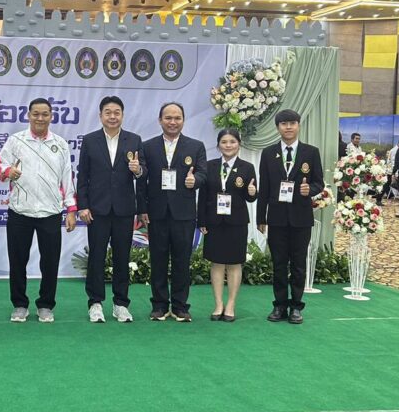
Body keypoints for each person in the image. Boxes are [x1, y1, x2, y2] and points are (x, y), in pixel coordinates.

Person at [0, 98, 77, 323]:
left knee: (50, 262)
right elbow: (0, 166)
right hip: (20, 211)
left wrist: (71, 209)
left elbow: (67, 178)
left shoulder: (60, 144)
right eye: (36, 114)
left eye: (44, 114)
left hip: (50, 212)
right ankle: (19, 304)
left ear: (51, 116)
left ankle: (46, 305)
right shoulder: (15, 141)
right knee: (17, 261)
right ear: (29, 115)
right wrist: (8, 172)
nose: (40, 118)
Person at [76, 96, 145, 324]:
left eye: (117, 112)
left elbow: (143, 173)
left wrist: (138, 170)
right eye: (108, 112)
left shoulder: (134, 140)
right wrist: (83, 206)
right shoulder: (90, 140)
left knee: (122, 258)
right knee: (96, 257)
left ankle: (121, 304)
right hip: (97, 209)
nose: (112, 116)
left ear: (122, 115)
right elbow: (83, 176)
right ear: (100, 115)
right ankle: (95, 303)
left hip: (124, 209)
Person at [138, 102, 207, 322]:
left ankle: (180, 307)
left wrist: (195, 180)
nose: (173, 122)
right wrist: (142, 208)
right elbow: (141, 180)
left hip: (184, 213)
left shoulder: (196, 146)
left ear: (183, 120)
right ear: (160, 120)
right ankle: (159, 305)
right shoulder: (147, 146)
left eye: (177, 118)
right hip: (156, 213)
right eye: (168, 118)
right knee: (158, 260)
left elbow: (204, 173)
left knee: (182, 261)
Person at [256, 109, 323, 325]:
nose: (288, 127)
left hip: (301, 218)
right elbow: (264, 187)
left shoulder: (311, 152)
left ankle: (296, 307)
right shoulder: (268, 153)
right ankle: (279, 305)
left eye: (292, 123)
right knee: (278, 264)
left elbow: (319, 182)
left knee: (298, 265)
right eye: (284, 124)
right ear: (278, 127)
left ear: (298, 125)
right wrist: (261, 217)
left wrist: (310, 190)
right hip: (276, 218)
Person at [198, 128, 257, 322]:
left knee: (234, 263)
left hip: (236, 222)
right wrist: (201, 220)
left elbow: (250, 197)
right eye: (224, 142)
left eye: (232, 141)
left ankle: (231, 304)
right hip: (214, 222)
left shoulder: (247, 167)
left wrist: (252, 192)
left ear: (238, 144)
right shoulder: (209, 166)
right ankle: (218, 304)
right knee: (216, 263)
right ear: (218, 145)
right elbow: (203, 196)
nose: (228, 145)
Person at [383, 136, 399, 205]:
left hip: (393, 171)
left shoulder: (398, 149)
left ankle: (381, 195)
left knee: (388, 183)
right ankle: (380, 196)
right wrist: (395, 173)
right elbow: (394, 163)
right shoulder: (395, 150)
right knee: (389, 183)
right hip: (392, 171)